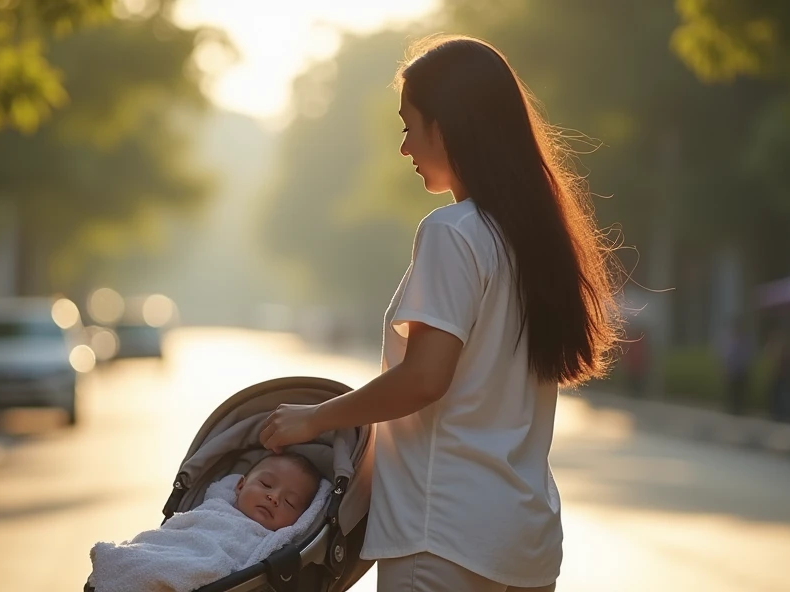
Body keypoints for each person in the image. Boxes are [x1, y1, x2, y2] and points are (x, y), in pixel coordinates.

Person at [259, 34, 622, 592]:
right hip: (525, 544)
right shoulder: (537, 243)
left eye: (408, 126)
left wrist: (316, 417)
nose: (404, 147)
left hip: (442, 538)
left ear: (447, 127)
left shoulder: (453, 233)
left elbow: (425, 377)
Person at [87, 453, 325, 592]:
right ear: (240, 486)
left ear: (300, 519)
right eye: (265, 485)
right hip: (172, 551)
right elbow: (176, 531)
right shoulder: (213, 507)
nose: (273, 497)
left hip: (209, 570)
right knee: (134, 555)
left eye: (290, 503)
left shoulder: (272, 544)